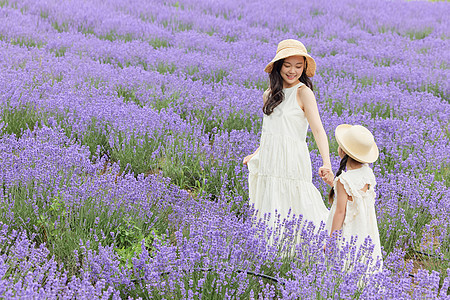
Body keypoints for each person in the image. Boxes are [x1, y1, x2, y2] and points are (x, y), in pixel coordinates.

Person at [243, 39, 332, 235]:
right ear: (278, 66)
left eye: (298, 66)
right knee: (271, 203)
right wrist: (255, 154)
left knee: (296, 202)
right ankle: (272, 254)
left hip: (292, 158)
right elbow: (270, 131)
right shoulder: (269, 94)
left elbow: (318, 130)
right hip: (270, 159)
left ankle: (306, 250)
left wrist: (327, 162)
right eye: (288, 65)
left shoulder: (304, 93)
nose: (293, 71)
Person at [324, 124, 383, 270]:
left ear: (342, 151)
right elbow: (354, 196)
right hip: (364, 229)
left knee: (342, 265)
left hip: (347, 230)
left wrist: (331, 242)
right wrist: (333, 182)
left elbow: (341, 212)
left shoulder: (344, 180)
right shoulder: (367, 172)